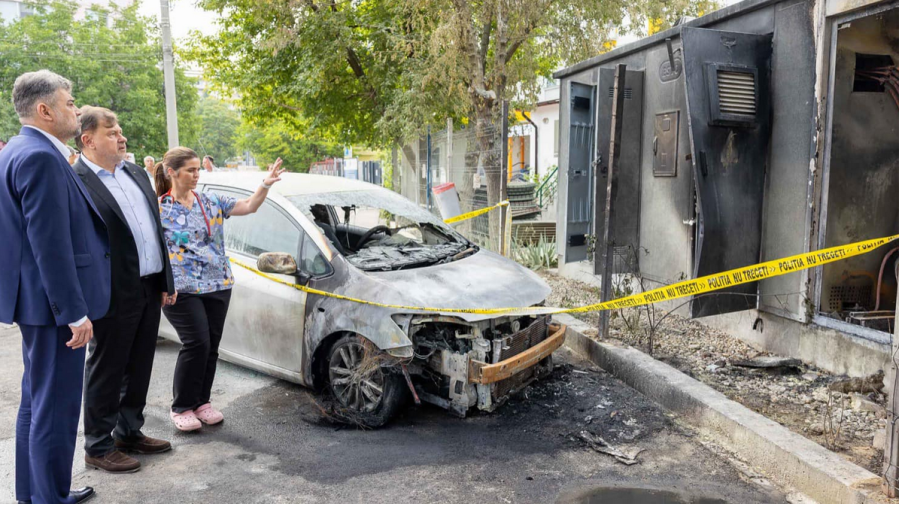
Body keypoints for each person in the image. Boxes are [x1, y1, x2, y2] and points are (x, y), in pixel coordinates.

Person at [0, 70, 109, 504]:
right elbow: (49, 242)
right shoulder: (41, 156)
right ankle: (49, 498)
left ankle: (37, 493)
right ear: (44, 110)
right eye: (69, 103)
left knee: (37, 401)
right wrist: (74, 313)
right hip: (53, 306)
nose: (76, 109)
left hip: (36, 301)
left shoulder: (19, 149)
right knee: (56, 408)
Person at [72, 106, 176, 473]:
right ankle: (98, 446)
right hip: (110, 291)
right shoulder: (76, 180)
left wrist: (166, 280)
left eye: (120, 130)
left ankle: (129, 431)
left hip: (149, 286)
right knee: (107, 368)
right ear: (88, 140)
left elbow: (155, 230)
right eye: (111, 132)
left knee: (140, 364)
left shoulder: (136, 173)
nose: (121, 137)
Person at [155, 148, 284, 431]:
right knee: (196, 342)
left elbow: (249, 206)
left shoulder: (211, 201)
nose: (196, 175)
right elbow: (155, 251)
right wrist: (162, 286)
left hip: (217, 284)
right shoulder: (160, 208)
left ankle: (202, 402)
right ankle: (182, 407)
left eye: (198, 169)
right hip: (182, 289)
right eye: (190, 170)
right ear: (172, 172)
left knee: (211, 345)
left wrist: (265, 185)